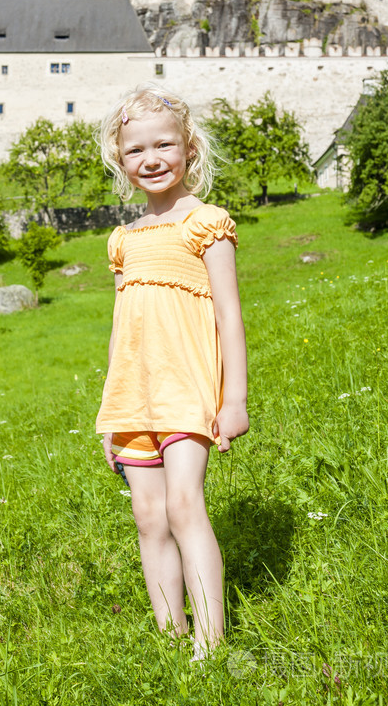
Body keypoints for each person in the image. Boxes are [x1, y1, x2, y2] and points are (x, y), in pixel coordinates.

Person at [96, 84, 249, 659]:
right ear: (120, 160)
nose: (151, 159)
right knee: (148, 516)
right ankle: (171, 636)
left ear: (189, 148)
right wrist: (110, 412)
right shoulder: (124, 240)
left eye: (164, 145)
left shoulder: (205, 224)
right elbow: (121, 329)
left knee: (184, 505)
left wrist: (234, 400)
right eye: (136, 150)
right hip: (133, 399)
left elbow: (230, 315)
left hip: (187, 390)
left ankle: (210, 644)